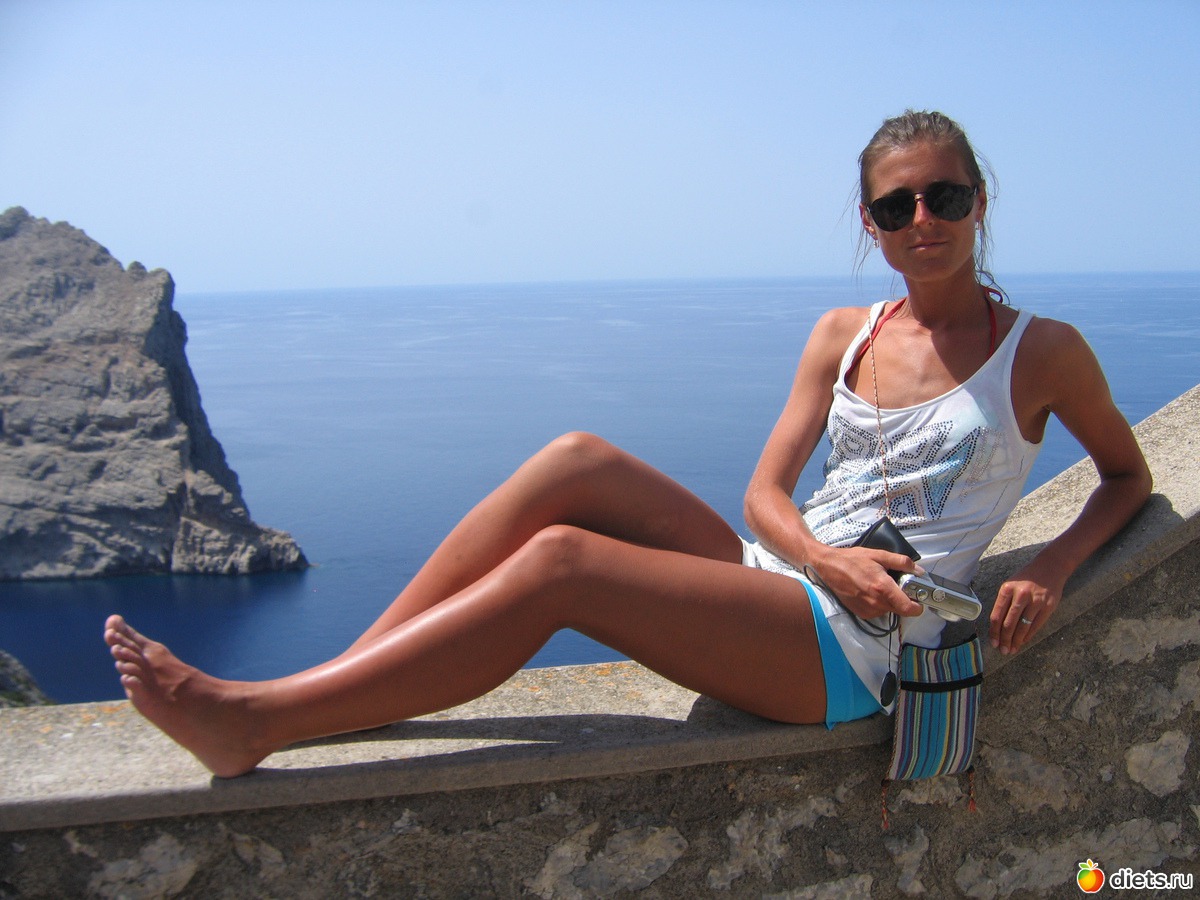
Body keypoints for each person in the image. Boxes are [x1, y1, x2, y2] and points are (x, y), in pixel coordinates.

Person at [105, 110, 1151, 778]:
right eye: (896, 204)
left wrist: (1052, 567)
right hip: (788, 579)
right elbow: (764, 495)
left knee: (565, 564)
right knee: (575, 458)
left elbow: (1125, 476)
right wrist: (819, 555)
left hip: (864, 647)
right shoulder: (846, 333)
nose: (923, 218)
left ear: (979, 204)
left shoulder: (1041, 352)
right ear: (871, 224)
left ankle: (261, 721)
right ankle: (354, 679)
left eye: (946, 197)